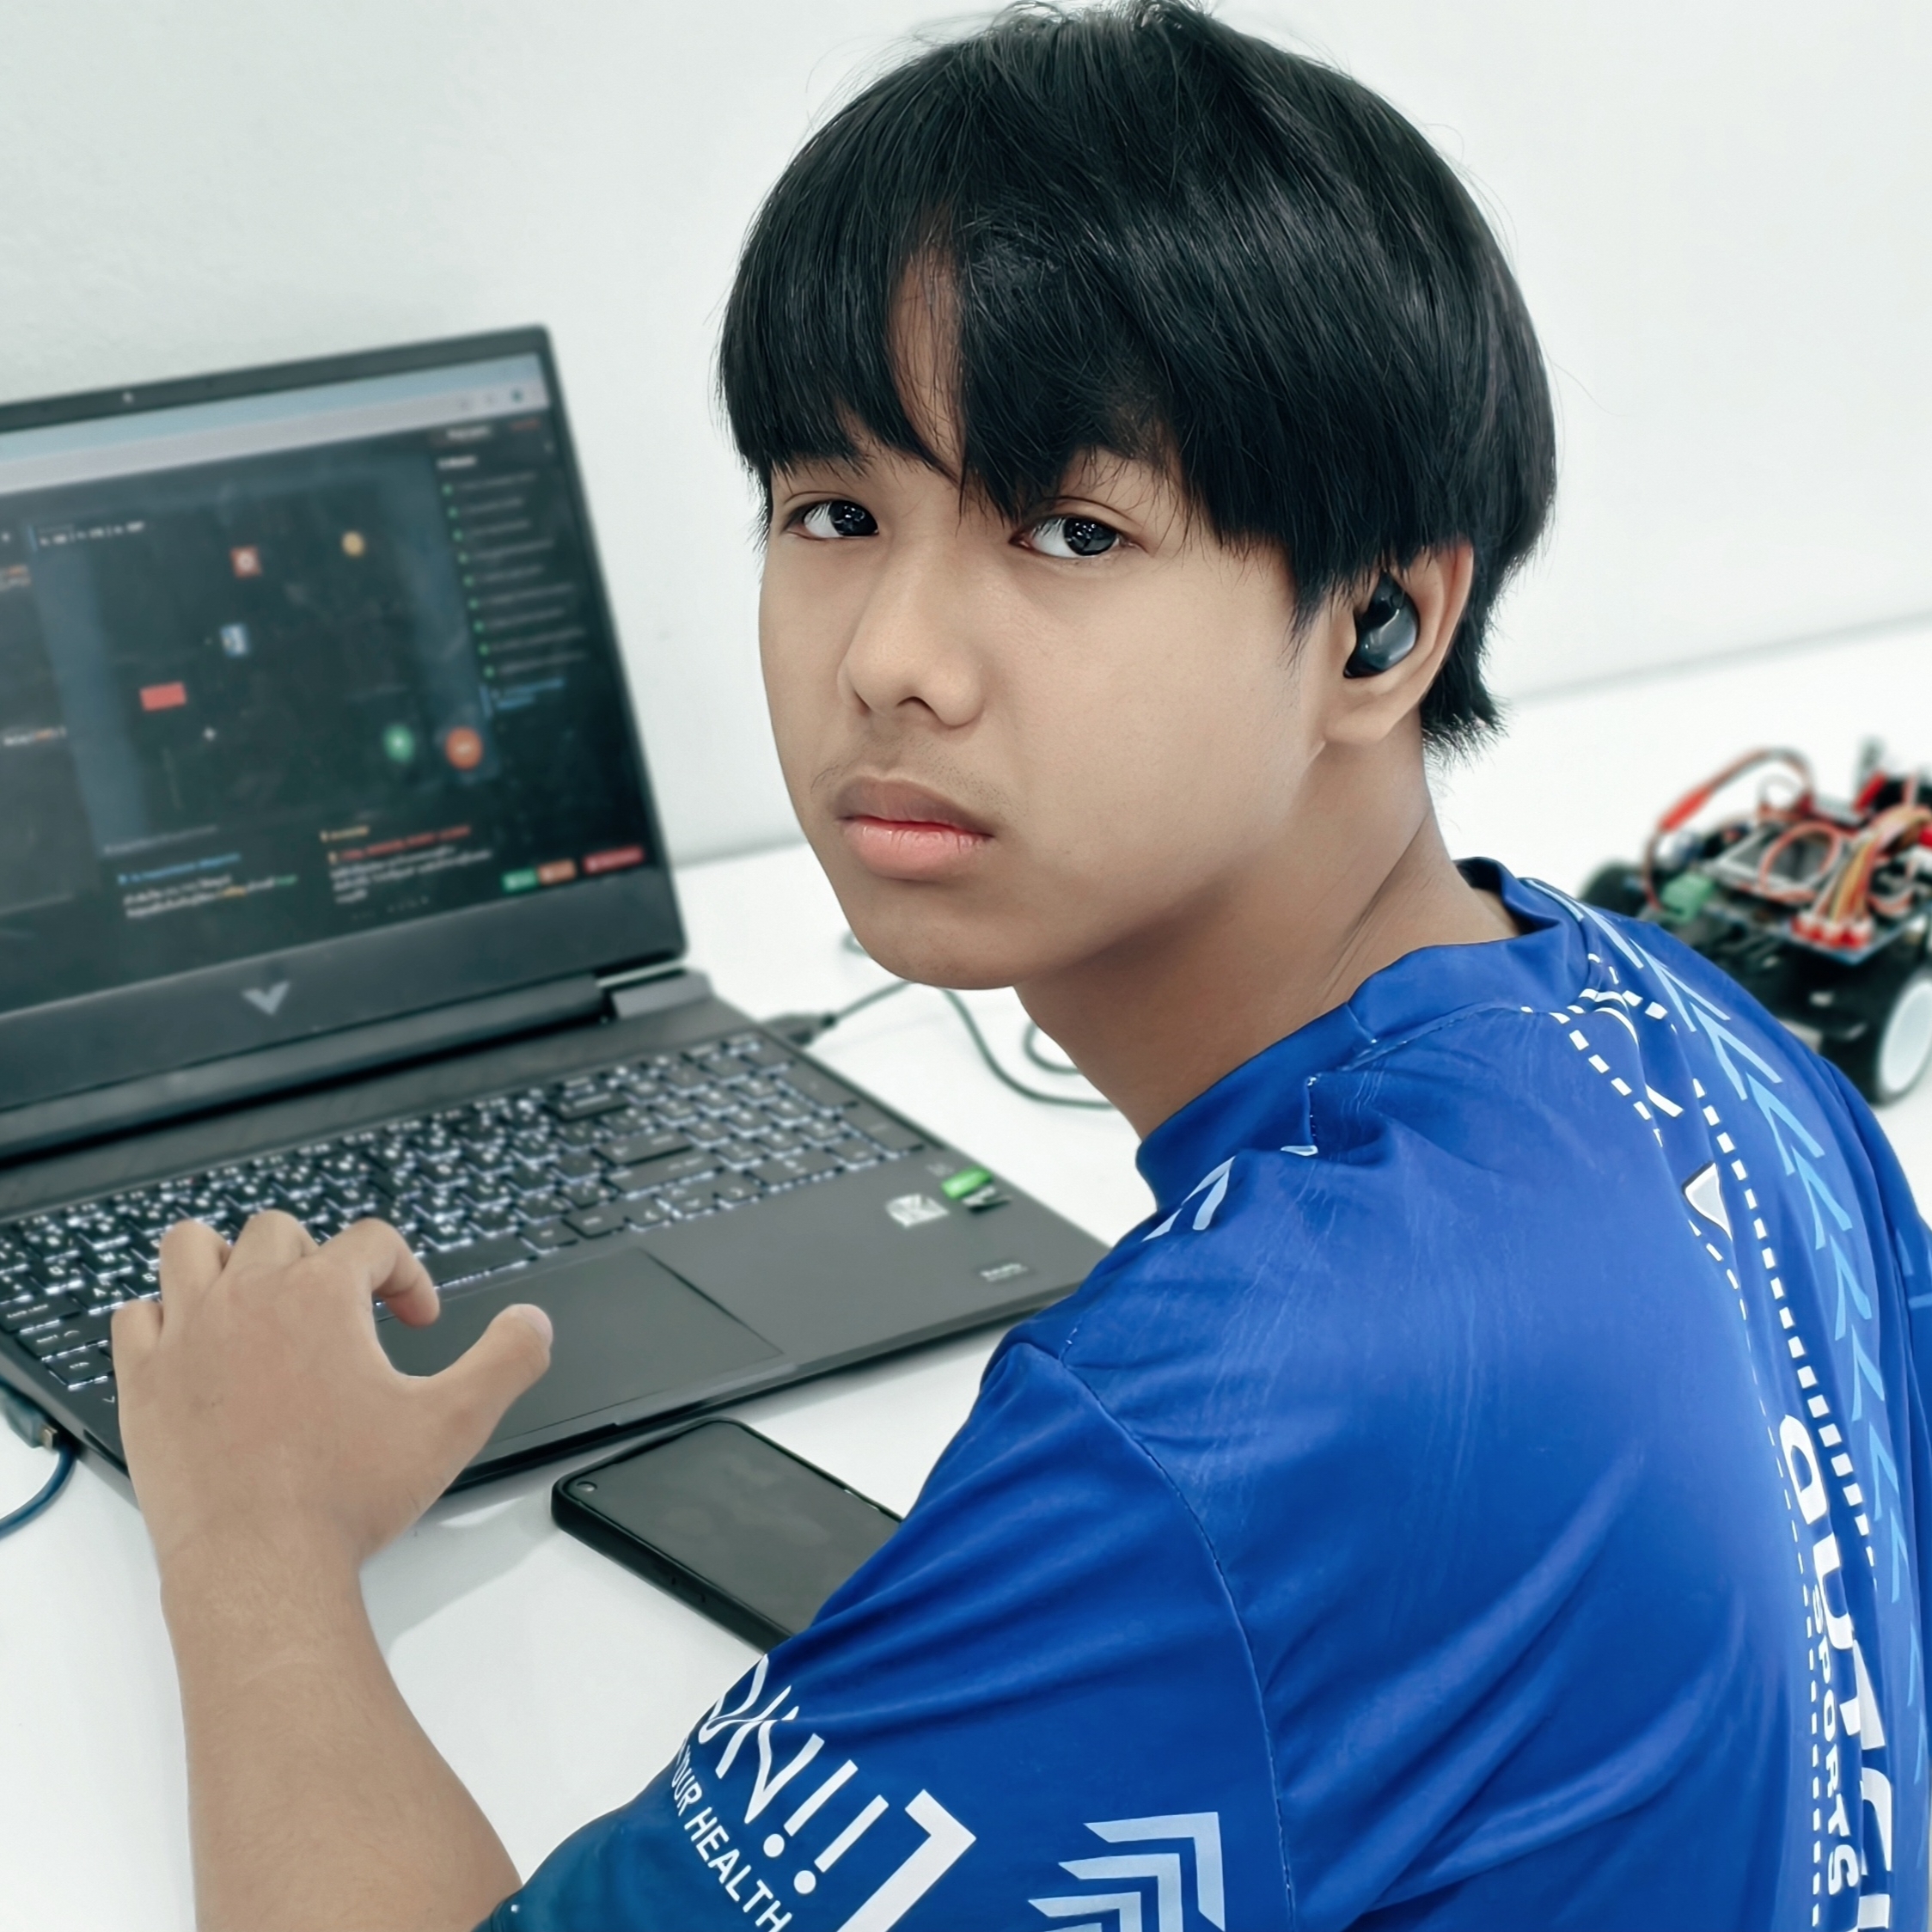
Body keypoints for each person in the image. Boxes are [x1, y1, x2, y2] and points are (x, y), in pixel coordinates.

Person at [114, 5, 1932, 1929]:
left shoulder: (1237, 1424)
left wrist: (255, 1537)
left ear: (1380, 628)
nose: (890, 658)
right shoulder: (1693, 1031)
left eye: (1070, 529)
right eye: (833, 512)